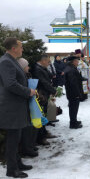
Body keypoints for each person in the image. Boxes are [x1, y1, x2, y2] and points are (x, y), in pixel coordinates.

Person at [0, 37, 36, 178]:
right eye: (20, 47)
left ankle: (17, 163)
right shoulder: (6, 62)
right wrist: (28, 91)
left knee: (16, 137)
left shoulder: (10, 60)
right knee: (13, 139)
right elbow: (10, 84)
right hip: (11, 107)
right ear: (13, 48)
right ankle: (12, 169)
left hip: (16, 105)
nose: (22, 49)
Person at [32, 55, 57, 145]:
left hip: (44, 94)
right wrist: (53, 90)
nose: (49, 63)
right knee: (41, 115)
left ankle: (44, 133)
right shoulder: (37, 69)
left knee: (44, 114)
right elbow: (43, 82)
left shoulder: (42, 68)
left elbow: (50, 76)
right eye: (48, 62)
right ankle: (41, 138)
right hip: (41, 95)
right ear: (43, 61)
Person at [17, 58, 38, 158]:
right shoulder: (20, 77)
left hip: (29, 102)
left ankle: (30, 145)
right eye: (27, 66)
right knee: (27, 128)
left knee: (32, 126)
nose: (28, 67)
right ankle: (27, 148)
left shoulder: (27, 75)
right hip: (24, 104)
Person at [64, 56, 83, 129]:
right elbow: (73, 83)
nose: (78, 62)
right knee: (73, 108)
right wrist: (78, 94)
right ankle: (73, 124)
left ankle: (74, 121)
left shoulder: (70, 68)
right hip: (73, 93)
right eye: (77, 61)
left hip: (71, 92)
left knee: (73, 108)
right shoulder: (71, 69)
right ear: (73, 61)